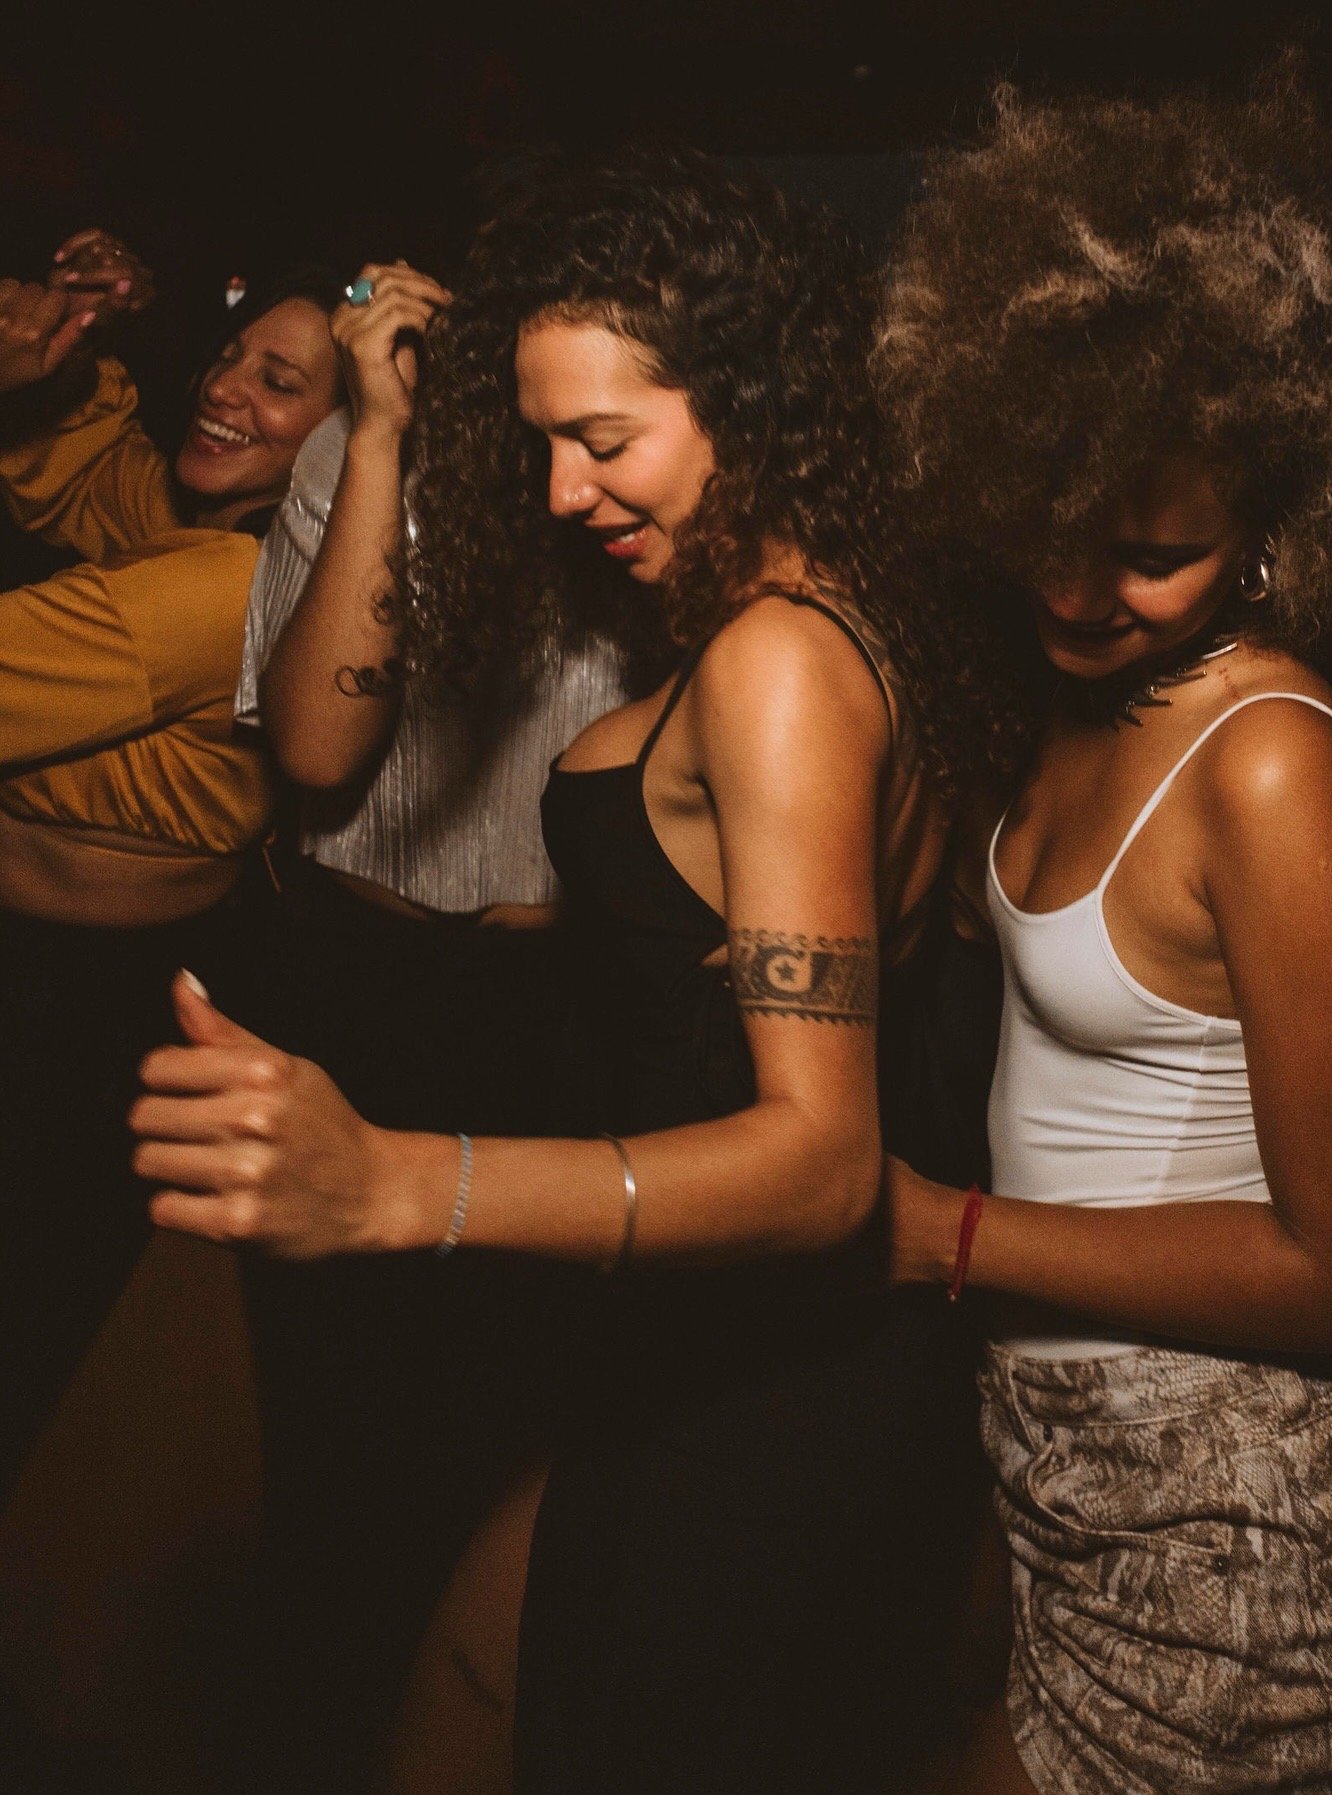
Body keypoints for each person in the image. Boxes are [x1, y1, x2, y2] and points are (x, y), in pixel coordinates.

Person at [130, 147, 1002, 1794]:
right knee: (467, 1675)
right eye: (543, 443)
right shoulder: (836, 609)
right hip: (717, 1345)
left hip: (771, 1380)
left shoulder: (777, 666)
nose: (558, 494)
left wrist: (394, 1183)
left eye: (605, 442)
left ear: (748, 399)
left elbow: (823, 1162)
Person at [876, 77, 1332, 1793]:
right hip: (1058, 1467)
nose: (1075, 590)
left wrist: (944, 1234)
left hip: (1244, 1530)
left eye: (1152, 554)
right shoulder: (1077, 691)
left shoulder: (1269, 760)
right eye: (1051, 530)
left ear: (1280, 528)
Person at [231, 247, 632, 1790]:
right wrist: (385, 436)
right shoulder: (359, 444)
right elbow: (321, 754)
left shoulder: (626, 478)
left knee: (511, 1441)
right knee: (330, 1442)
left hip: (558, 1007)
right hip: (353, 980)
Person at [0, 235, 341, 1496]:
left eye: (281, 383)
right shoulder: (245, 543)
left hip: (60, 1014)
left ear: (339, 455)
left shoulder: (227, 590)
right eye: (233, 353)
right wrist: (69, 360)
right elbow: (92, 483)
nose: (225, 386)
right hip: (100, 992)